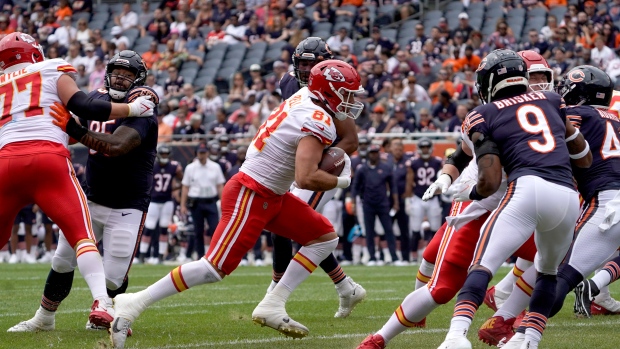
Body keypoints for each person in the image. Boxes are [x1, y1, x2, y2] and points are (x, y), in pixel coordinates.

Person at [109, 60, 363, 349]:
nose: (352, 100)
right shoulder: (318, 119)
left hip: (273, 194)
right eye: (347, 93)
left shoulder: (305, 97)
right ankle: (134, 302)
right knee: (213, 268)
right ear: (329, 92)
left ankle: (273, 304)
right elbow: (306, 178)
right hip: (251, 193)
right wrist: (342, 180)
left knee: (324, 237)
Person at [355, 49, 588, 349]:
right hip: (478, 206)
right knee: (442, 288)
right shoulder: (548, 105)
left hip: (510, 198)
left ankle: (494, 322)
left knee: (529, 263)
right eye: (536, 77)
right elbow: (462, 156)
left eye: (544, 77)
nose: (540, 84)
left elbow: (490, 176)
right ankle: (379, 338)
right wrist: (446, 178)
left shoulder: (497, 113)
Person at [433, 49, 590, 349]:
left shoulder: (483, 114)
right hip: (567, 196)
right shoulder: (554, 101)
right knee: (547, 272)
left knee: (482, 265)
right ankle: (528, 341)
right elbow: (583, 157)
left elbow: (489, 180)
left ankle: (456, 336)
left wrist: (467, 192)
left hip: (526, 189)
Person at [0, 33, 154, 333]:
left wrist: (72, 127)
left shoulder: (143, 107)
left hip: (128, 202)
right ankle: (45, 317)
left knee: (113, 277)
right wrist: (61, 127)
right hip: (92, 194)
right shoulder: (92, 96)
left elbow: (116, 146)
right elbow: (65, 115)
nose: (121, 79)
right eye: (117, 73)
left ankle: (105, 314)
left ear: (139, 80)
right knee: (62, 260)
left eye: (128, 75)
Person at [479, 66, 620, 348]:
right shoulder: (614, 120)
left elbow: (557, 141)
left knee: (557, 277)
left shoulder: (579, 114)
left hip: (606, 204)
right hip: (610, 202)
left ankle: (520, 335)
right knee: (550, 264)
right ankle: (504, 318)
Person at [268, 37, 367, 318]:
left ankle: (274, 294)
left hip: (321, 169)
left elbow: (350, 140)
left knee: (287, 225)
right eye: (302, 63)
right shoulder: (288, 83)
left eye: (312, 63)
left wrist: (322, 160)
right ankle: (345, 286)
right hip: (298, 165)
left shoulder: (333, 88)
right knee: (300, 229)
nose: (306, 68)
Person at [177, 142, 226, 263]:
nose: (202, 155)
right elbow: (185, 187)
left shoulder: (215, 166)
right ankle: (200, 256)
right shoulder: (190, 168)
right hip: (196, 202)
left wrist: (223, 202)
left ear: (207, 153)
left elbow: (220, 186)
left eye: (204, 152)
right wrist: (183, 204)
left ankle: (214, 255)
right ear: (197, 153)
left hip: (211, 201)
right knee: (198, 230)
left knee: (215, 229)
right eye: (200, 152)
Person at [351, 144, 399, 265]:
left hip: (383, 203)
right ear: (368, 154)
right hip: (368, 204)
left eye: (376, 152)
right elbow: (355, 187)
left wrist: (395, 203)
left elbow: (393, 187)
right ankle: (372, 257)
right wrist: (353, 204)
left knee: (389, 230)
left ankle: (394, 257)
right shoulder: (362, 169)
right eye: (372, 152)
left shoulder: (386, 167)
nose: (374, 154)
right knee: (369, 231)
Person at [139, 144, 183, 264]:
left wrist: (175, 188)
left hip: (167, 201)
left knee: (164, 228)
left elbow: (182, 179)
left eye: (166, 154)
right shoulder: (152, 165)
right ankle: (142, 255)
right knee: (149, 227)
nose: (164, 156)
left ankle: (160, 256)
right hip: (154, 200)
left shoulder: (174, 167)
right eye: (162, 154)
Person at [405, 138, 443, 263]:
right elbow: (410, 181)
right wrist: (408, 198)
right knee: (415, 228)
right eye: (423, 147)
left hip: (433, 198)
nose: (425, 150)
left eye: (427, 147)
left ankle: (434, 254)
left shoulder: (438, 162)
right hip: (418, 197)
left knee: (435, 229)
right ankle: (414, 255)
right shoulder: (414, 163)